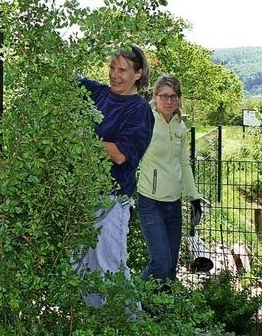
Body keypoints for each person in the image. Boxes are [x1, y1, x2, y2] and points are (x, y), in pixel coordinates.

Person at [76, 45, 154, 307]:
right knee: (81, 265)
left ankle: (131, 329)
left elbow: (121, 154)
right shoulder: (99, 93)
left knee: (110, 267)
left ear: (138, 75)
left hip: (111, 199)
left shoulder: (139, 110)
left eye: (122, 70)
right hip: (83, 193)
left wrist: (82, 139)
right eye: (112, 67)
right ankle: (96, 325)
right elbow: (66, 78)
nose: (114, 74)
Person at [137, 75, 202, 284]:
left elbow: (184, 163)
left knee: (171, 269)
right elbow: (130, 158)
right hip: (150, 202)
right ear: (155, 97)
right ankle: (133, 305)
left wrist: (194, 198)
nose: (169, 101)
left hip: (173, 205)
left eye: (173, 96)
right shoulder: (145, 122)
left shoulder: (179, 127)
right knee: (160, 264)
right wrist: (125, 195)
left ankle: (161, 312)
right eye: (163, 96)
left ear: (179, 99)